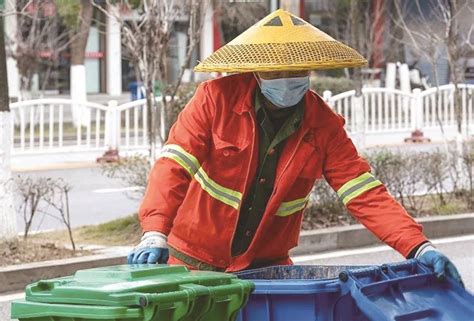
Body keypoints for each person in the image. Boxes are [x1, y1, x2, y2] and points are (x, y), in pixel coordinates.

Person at [127, 9, 463, 286]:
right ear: (257, 69)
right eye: (278, 68)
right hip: (191, 264)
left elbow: (363, 191)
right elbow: (174, 166)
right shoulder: (214, 100)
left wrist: (418, 246)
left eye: (298, 68)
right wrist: (154, 232)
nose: (289, 77)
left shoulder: (323, 124)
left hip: (266, 271)